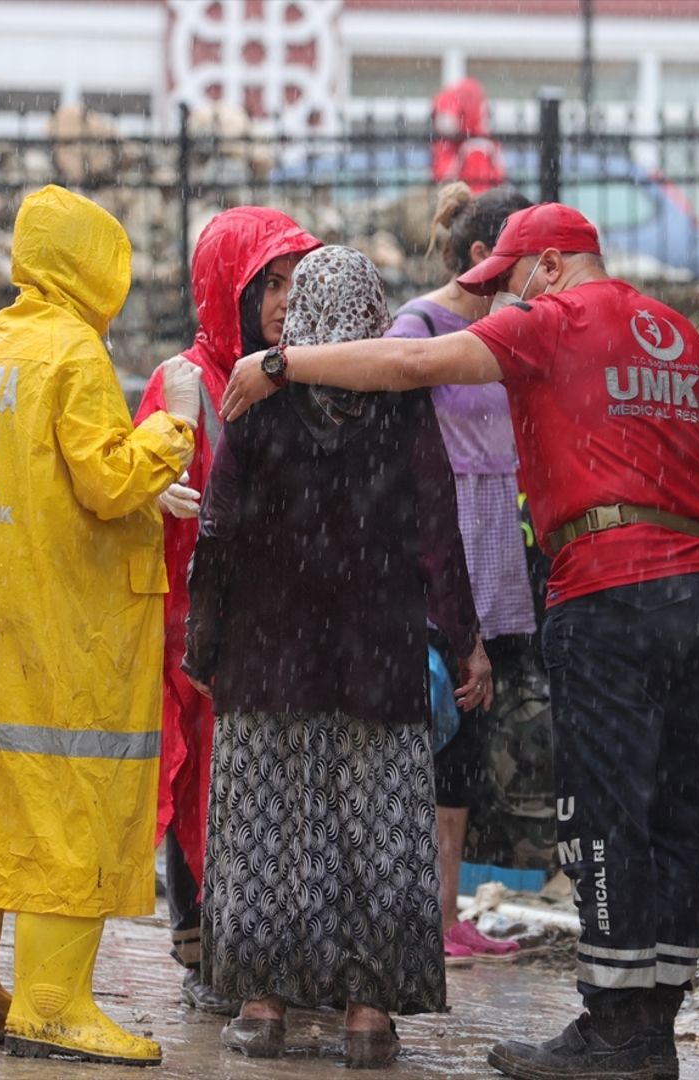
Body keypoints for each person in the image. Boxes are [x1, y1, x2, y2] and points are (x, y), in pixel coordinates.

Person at [218, 203, 699, 1080]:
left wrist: (278, 361)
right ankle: (655, 1028)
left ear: (552, 266)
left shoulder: (554, 320)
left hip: (610, 586)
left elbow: (410, 361)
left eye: (503, 284)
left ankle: (612, 1030)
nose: (494, 306)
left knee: (604, 811)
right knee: (680, 813)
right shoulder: (677, 333)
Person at [0, 185, 202, 1067]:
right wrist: (173, 429)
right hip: (60, 630)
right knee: (70, 805)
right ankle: (55, 1004)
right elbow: (104, 482)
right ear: (94, 264)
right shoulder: (72, 352)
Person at [182, 245, 494, 1069]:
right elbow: (437, 530)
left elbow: (217, 535)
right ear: (374, 315)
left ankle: (262, 1006)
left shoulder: (253, 402)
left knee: (270, 830)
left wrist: (204, 643)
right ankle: (365, 1018)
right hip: (375, 661)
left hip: (266, 660)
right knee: (376, 834)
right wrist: (464, 639)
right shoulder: (401, 407)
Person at [135, 206, 320, 1014]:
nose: (284, 301)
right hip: (197, 621)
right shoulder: (183, 380)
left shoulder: (302, 374)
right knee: (197, 787)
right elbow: (133, 474)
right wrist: (156, 499)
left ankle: (257, 948)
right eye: (268, 284)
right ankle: (203, 945)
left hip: (271, 621)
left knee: (262, 790)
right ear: (229, 291)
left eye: (293, 284)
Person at [386, 181, 535, 964]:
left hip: (494, 542)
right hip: (443, 546)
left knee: (468, 744)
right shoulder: (419, 328)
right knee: (431, 726)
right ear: (484, 257)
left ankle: (445, 915)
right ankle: (413, 914)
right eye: (523, 258)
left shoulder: (513, 332)